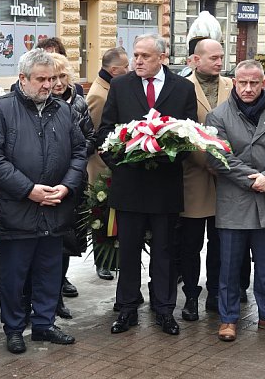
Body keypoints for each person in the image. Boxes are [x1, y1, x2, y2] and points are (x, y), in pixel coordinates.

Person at [0, 48, 86, 354]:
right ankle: (13, 328)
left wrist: (66, 186)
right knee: (14, 274)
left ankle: (44, 324)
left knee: (50, 270)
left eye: (52, 78)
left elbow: (79, 151)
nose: (48, 85)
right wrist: (28, 189)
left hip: (55, 207)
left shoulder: (63, 110)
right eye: (41, 79)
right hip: (17, 210)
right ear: (22, 78)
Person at [96, 33, 198, 336]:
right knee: (127, 252)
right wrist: (120, 164)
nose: (137, 61)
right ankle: (127, 308)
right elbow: (106, 130)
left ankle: (164, 309)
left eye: (145, 56)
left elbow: (190, 135)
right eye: (135, 55)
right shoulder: (120, 85)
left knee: (165, 250)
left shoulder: (183, 89)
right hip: (129, 184)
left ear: (162, 58)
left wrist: (167, 158)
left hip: (165, 184)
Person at [204, 60, 265, 341]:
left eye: (254, 83)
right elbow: (218, 158)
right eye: (242, 82)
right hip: (235, 202)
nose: (248, 88)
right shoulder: (218, 116)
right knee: (229, 267)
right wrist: (253, 178)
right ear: (234, 82)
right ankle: (228, 319)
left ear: (263, 83)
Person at [178, 39, 231, 321]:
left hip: (225, 179)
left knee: (220, 242)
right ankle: (190, 294)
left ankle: (215, 292)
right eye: (213, 58)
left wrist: (225, 165)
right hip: (195, 177)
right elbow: (179, 132)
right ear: (196, 60)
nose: (219, 62)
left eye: (221, 57)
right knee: (191, 243)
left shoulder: (232, 86)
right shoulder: (182, 87)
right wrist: (208, 162)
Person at [40, 52, 96, 319]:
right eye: (53, 77)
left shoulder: (79, 104)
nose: (58, 83)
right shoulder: (37, 104)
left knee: (65, 240)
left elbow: (90, 138)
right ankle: (43, 295)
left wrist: (73, 154)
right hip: (43, 182)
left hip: (71, 180)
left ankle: (58, 289)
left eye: (62, 76)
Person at [85, 46, 129, 280]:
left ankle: (113, 259)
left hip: (109, 164)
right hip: (102, 166)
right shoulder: (99, 94)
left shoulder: (111, 87)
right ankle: (103, 262)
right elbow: (97, 133)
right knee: (101, 215)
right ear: (114, 70)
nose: (130, 69)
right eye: (126, 67)